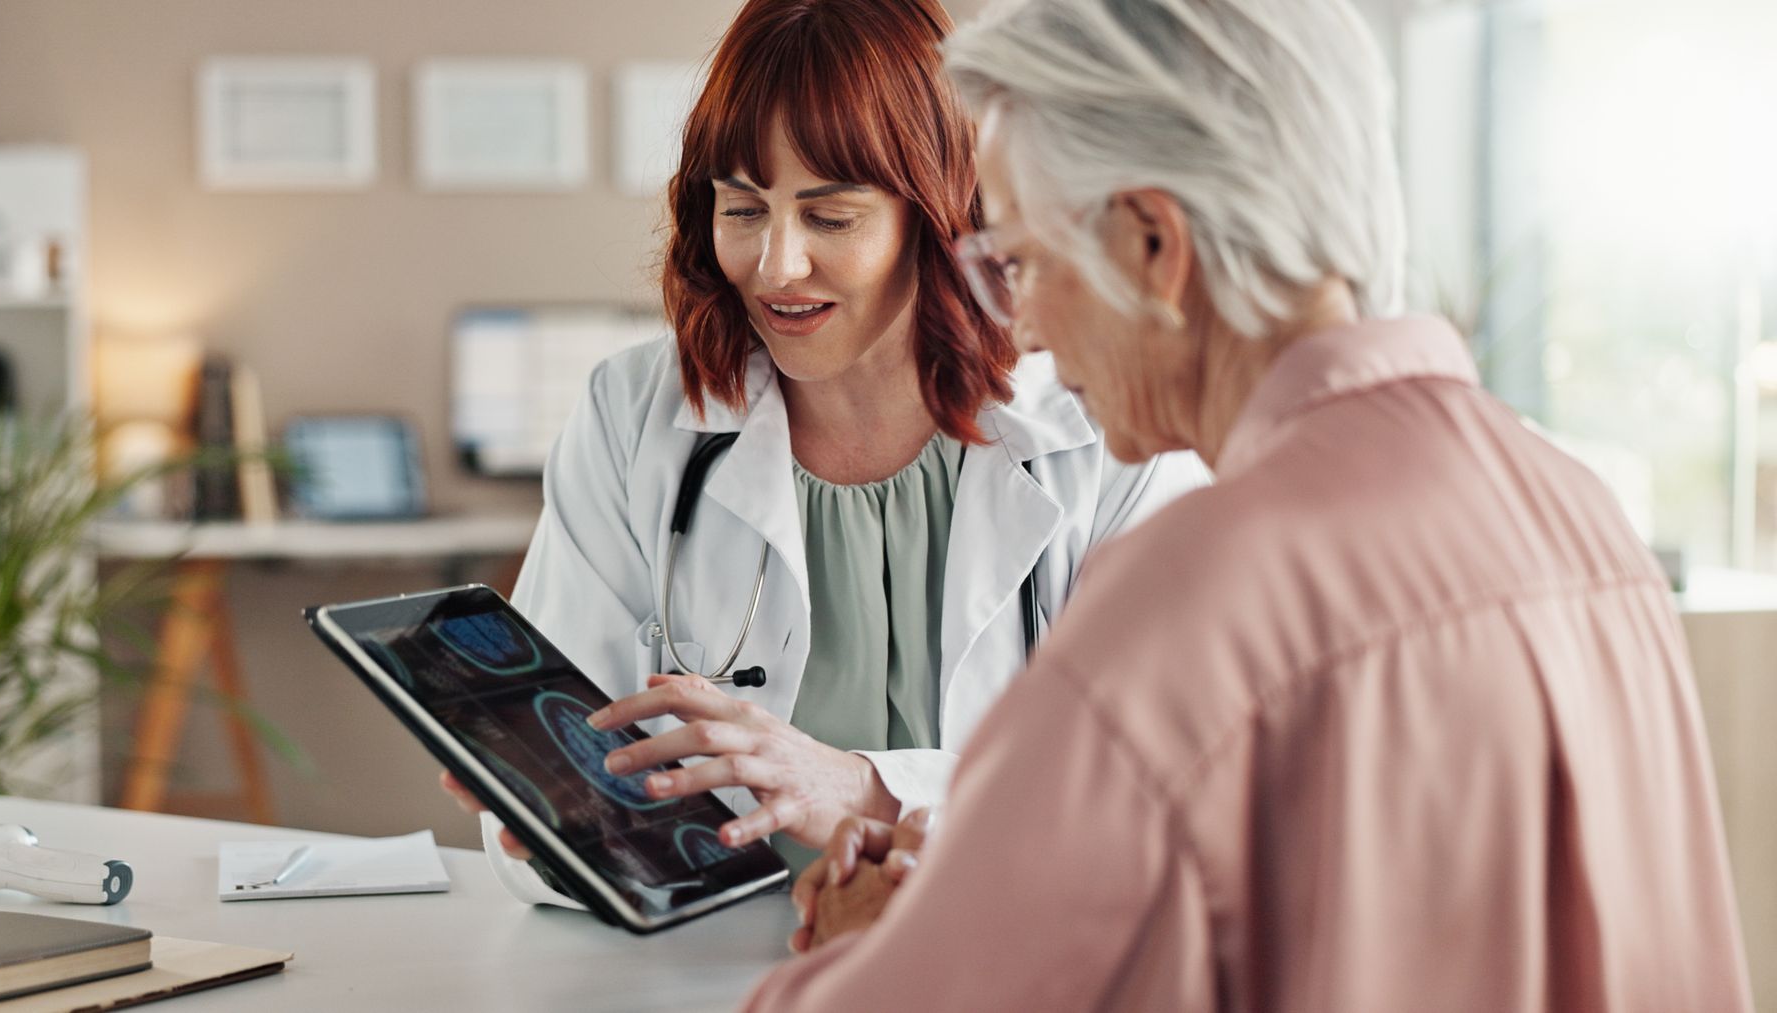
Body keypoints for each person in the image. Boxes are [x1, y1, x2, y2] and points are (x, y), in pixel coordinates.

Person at [750, 0, 1754, 1008]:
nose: (1029, 330)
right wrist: (983, 861)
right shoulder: (1583, 518)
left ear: (1152, 245)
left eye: (1022, 264)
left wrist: (871, 936)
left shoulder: (1198, 593)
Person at [442, 0, 1206, 906]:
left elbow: (1165, 795)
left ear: (939, 215)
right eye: (742, 207)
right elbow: (555, 781)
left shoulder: (1107, 432)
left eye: (830, 217)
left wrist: (863, 790)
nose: (775, 265)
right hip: (708, 972)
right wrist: (570, 832)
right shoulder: (633, 415)